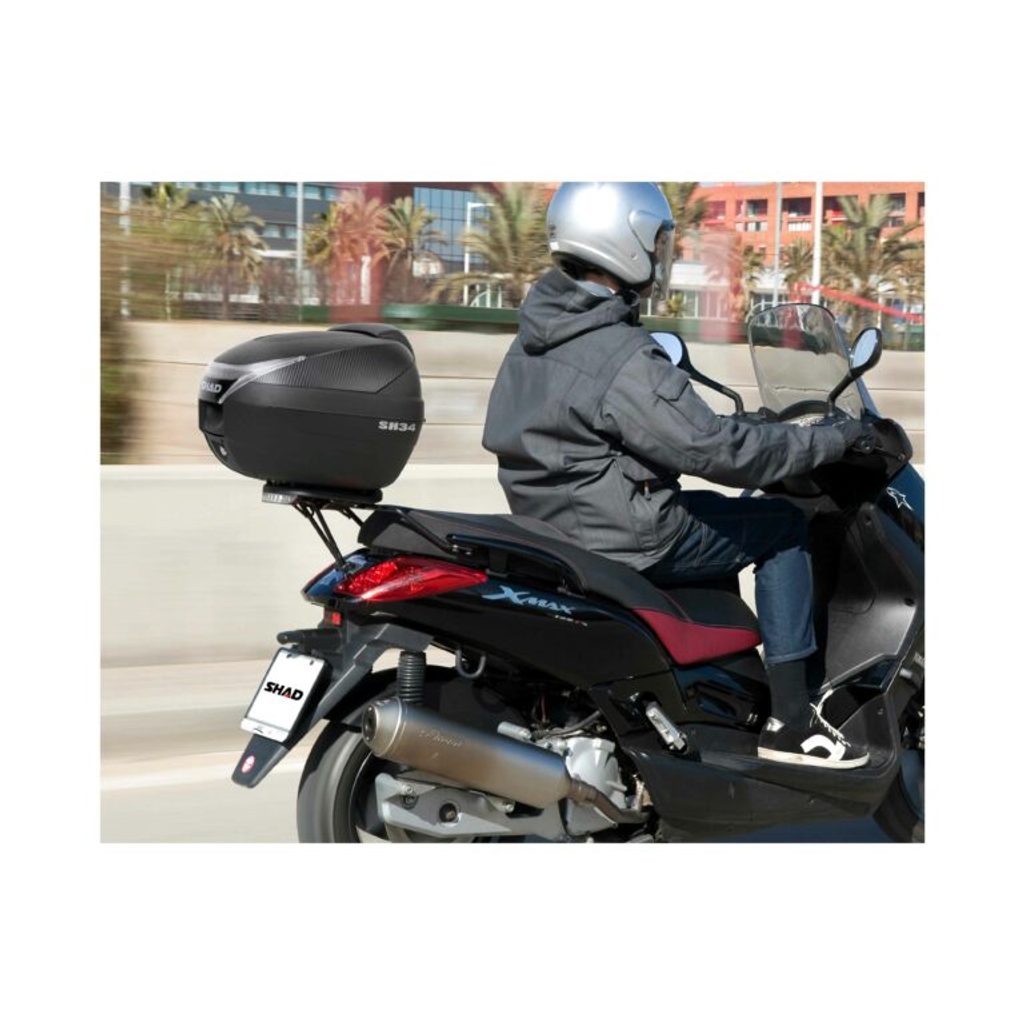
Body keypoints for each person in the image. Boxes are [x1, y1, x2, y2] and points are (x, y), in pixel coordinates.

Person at [482, 181, 869, 769]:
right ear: (625, 241)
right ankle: (791, 724)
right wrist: (831, 439)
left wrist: (746, 428)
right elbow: (717, 453)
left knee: (722, 518)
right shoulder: (617, 351)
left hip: (556, 528)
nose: (662, 254)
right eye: (659, 241)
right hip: (628, 536)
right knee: (782, 526)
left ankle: (717, 690)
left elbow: (611, 432)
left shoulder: (535, 339)